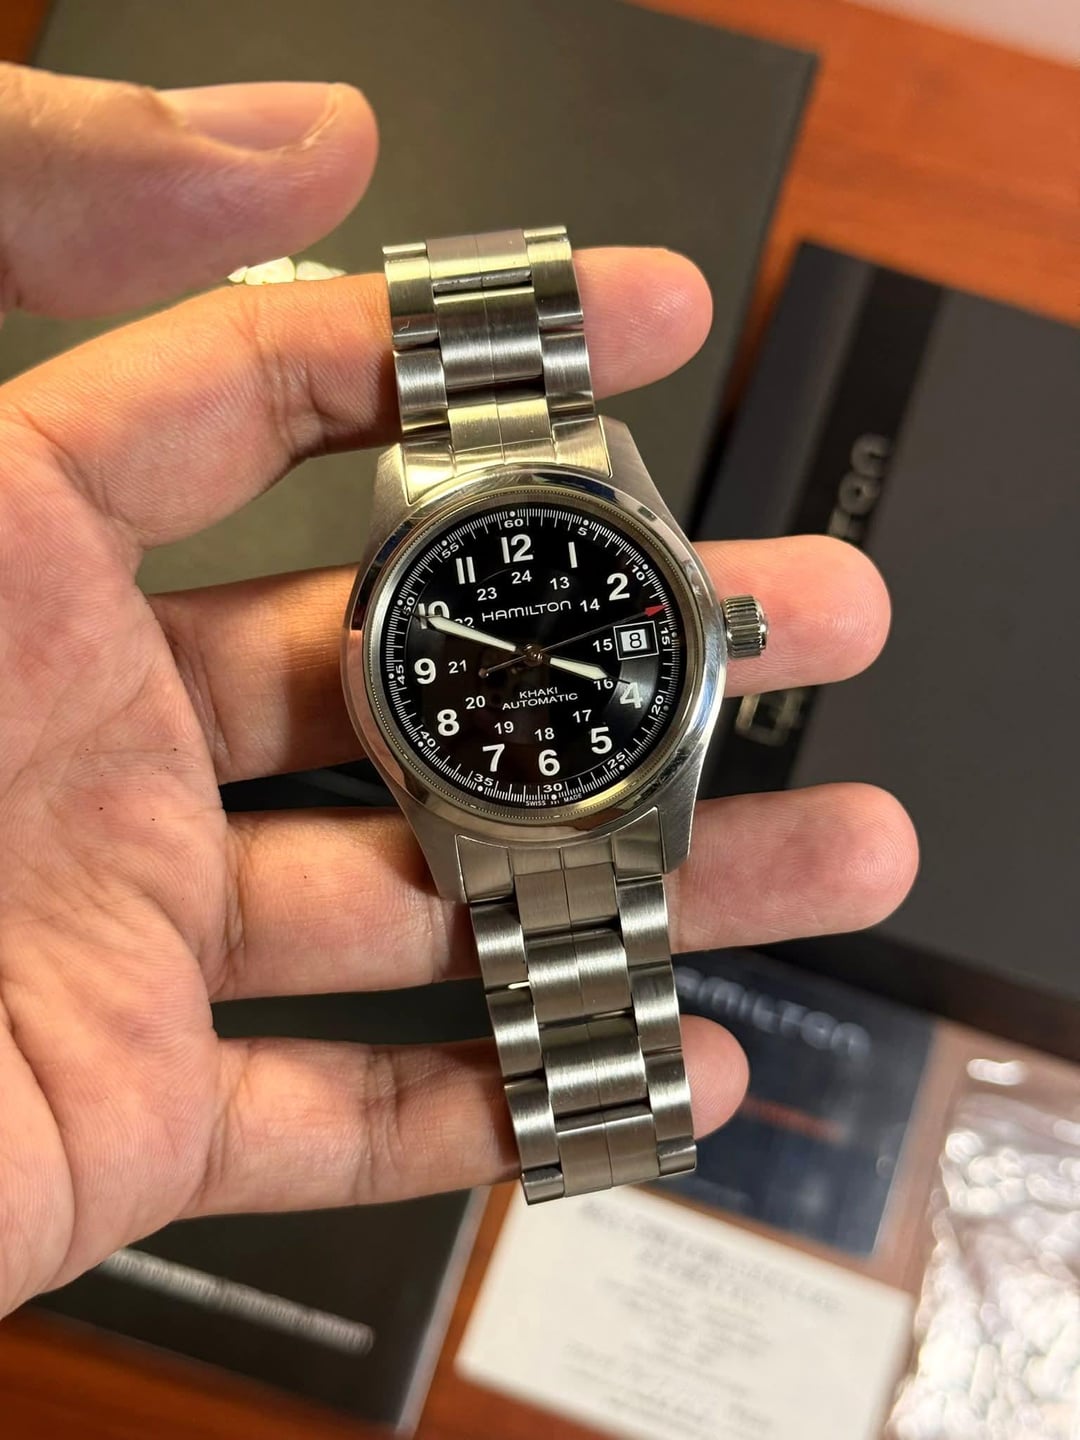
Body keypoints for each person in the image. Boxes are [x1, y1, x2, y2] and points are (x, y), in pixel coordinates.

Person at [0, 65, 917, 1320]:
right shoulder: (424, 631)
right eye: (507, 652)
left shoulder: (623, 585)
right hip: (484, 793)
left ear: (715, 629)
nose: (534, 663)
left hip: (553, 781)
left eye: (561, 651)